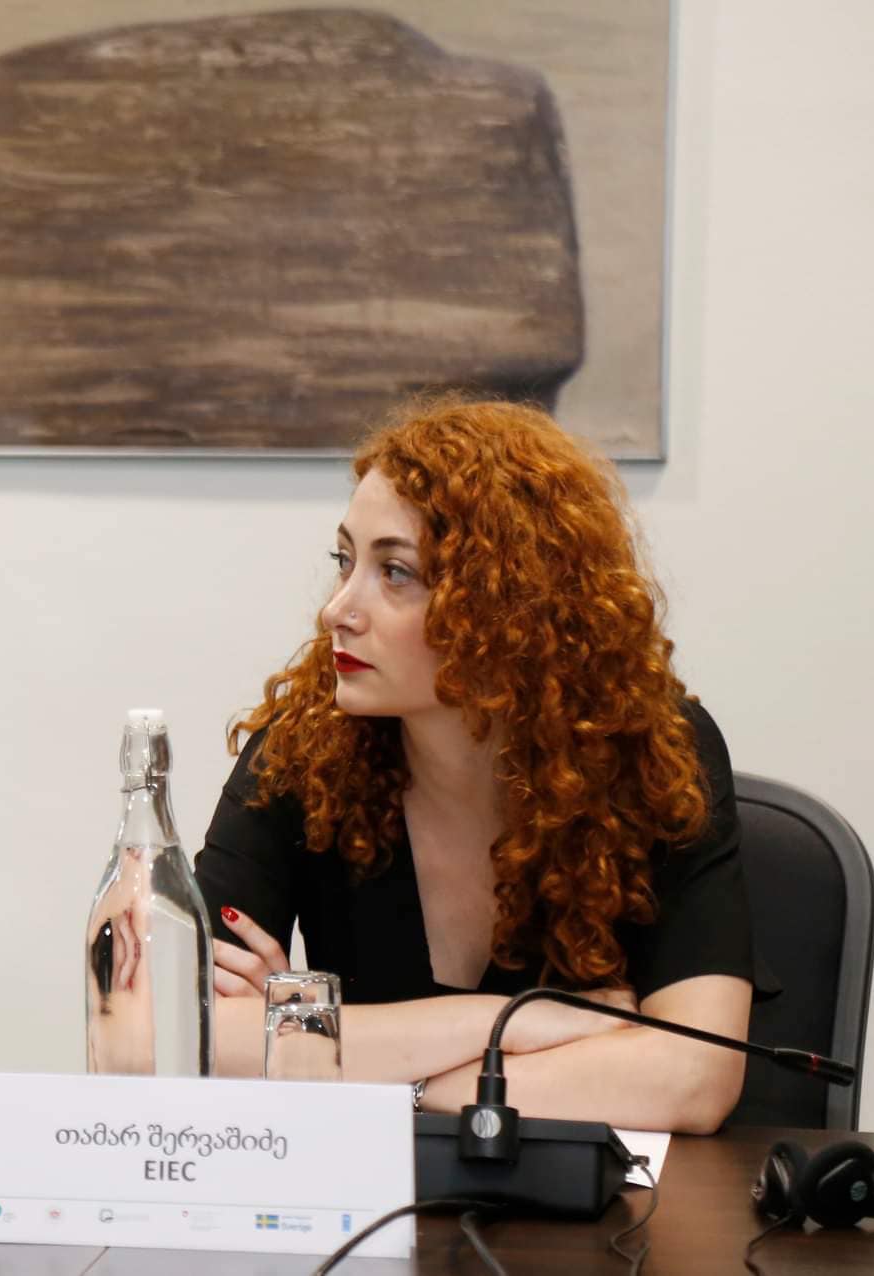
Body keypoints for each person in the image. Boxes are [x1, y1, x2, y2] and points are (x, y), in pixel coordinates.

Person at [195, 398, 762, 1134]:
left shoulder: (653, 753)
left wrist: (328, 1053)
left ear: (507, 606)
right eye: (345, 561)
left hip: (604, 1203)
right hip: (369, 1197)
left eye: (396, 572)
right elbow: (157, 1036)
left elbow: (696, 1077)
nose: (338, 609)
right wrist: (509, 1024)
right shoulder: (306, 748)